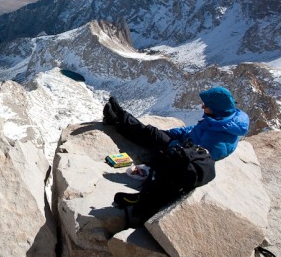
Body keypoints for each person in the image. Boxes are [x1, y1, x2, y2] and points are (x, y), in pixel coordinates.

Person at [103, 86, 249, 226]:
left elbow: (201, 155)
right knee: (153, 134)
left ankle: (118, 118)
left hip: (184, 153)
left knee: (151, 136)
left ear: (216, 107)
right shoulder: (222, 120)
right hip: (184, 145)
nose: (202, 107)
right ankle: (120, 116)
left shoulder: (218, 137)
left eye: (206, 105)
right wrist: (173, 133)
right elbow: (195, 129)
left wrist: (174, 146)